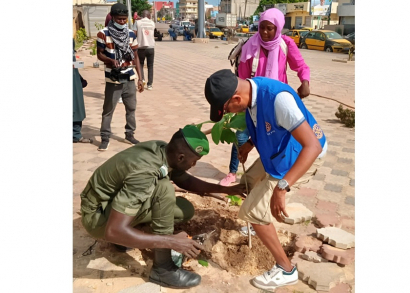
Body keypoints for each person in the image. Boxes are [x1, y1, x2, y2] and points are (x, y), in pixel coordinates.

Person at [204, 69, 327, 291]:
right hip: (281, 151)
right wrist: (250, 143)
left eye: (226, 109)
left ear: (236, 98)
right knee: (248, 180)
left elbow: (313, 146)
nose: (227, 114)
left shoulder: (278, 100)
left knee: (252, 211)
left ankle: (286, 269)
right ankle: (258, 227)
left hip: (301, 154)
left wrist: (283, 187)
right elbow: (265, 121)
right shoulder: (251, 92)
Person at [80, 125, 246, 289]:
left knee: (183, 210)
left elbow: (184, 179)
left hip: (108, 204)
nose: (194, 165)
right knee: (164, 189)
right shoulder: (144, 172)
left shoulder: (162, 149)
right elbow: (113, 231)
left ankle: (131, 232)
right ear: (181, 158)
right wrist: (171, 242)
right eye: (193, 161)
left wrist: (224, 189)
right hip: (97, 218)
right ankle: (163, 269)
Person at [219, 8, 311, 187]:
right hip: (252, 103)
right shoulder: (249, 47)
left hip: (276, 104)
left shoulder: (286, 44)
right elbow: (242, 80)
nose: (265, 33)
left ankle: (274, 175)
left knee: (275, 139)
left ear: (278, 28)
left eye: (270, 28)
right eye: (262, 28)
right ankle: (232, 172)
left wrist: (305, 82)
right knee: (241, 138)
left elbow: (301, 66)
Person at [96, 3, 144, 151]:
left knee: (131, 108)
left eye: (124, 19)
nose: (122, 22)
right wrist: (110, 61)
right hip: (113, 78)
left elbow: (136, 57)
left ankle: (130, 134)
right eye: (119, 19)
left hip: (129, 77)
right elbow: (99, 54)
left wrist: (140, 78)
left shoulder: (131, 34)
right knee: (108, 109)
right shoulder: (103, 33)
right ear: (113, 17)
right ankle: (105, 137)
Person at [73, 39, 93, 144]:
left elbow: (74, 65)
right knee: (75, 107)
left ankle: (76, 134)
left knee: (77, 107)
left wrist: (80, 78)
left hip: (75, 78)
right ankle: (76, 135)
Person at [134, 10, 155, 90]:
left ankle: (142, 80)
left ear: (142, 15)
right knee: (150, 66)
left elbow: (134, 33)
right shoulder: (152, 23)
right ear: (149, 15)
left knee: (141, 65)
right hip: (151, 47)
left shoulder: (137, 23)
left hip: (141, 47)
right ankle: (150, 85)